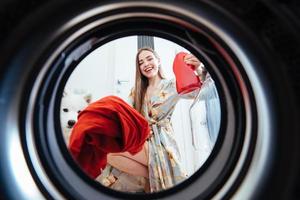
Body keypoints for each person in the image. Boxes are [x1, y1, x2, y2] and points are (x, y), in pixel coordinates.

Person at [97, 47, 203, 193]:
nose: (146, 64)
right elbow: (124, 113)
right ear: (139, 68)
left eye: (149, 59)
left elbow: (198, 93)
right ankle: (154, 175)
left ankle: (154, 176)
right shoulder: (137, 91)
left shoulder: (171, 85)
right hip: (142, 138)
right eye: (141, 62)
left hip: (161, 141)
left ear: (158, 61)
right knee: (107, 150)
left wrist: (198, 70)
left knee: (110, 151)